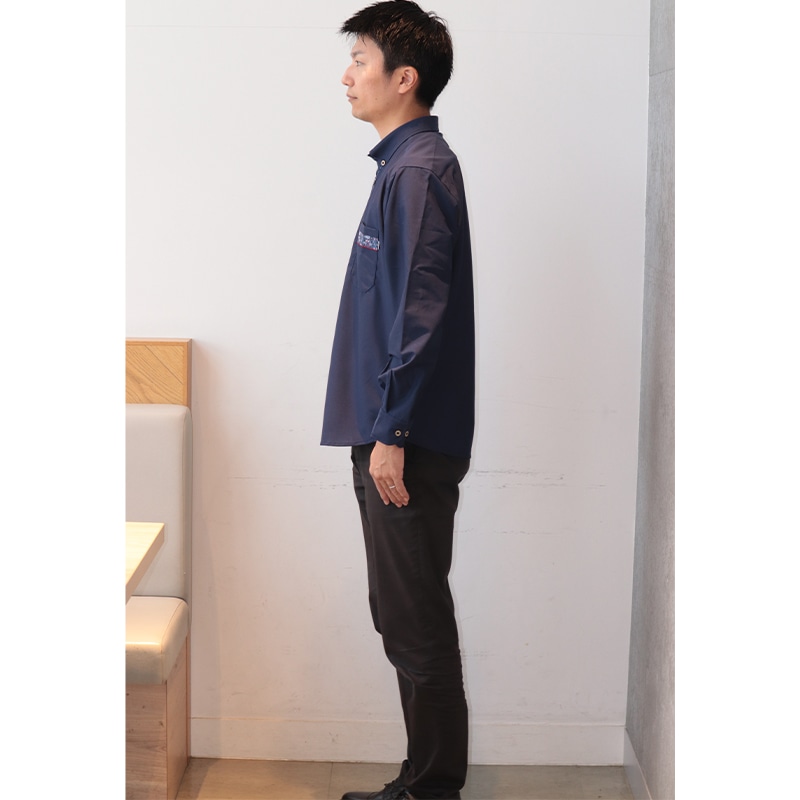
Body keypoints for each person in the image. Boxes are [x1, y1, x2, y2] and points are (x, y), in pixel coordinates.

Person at [321, 2, 475, 799]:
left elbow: (421, 311)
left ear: (403, 78)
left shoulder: (416, 173)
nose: (347, 76)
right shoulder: (403, 167)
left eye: (361, 61)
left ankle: (431, 788)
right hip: (390, 430)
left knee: (415, 623)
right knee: (402, 616)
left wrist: (394, 432)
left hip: (401, 440)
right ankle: (421, 781)